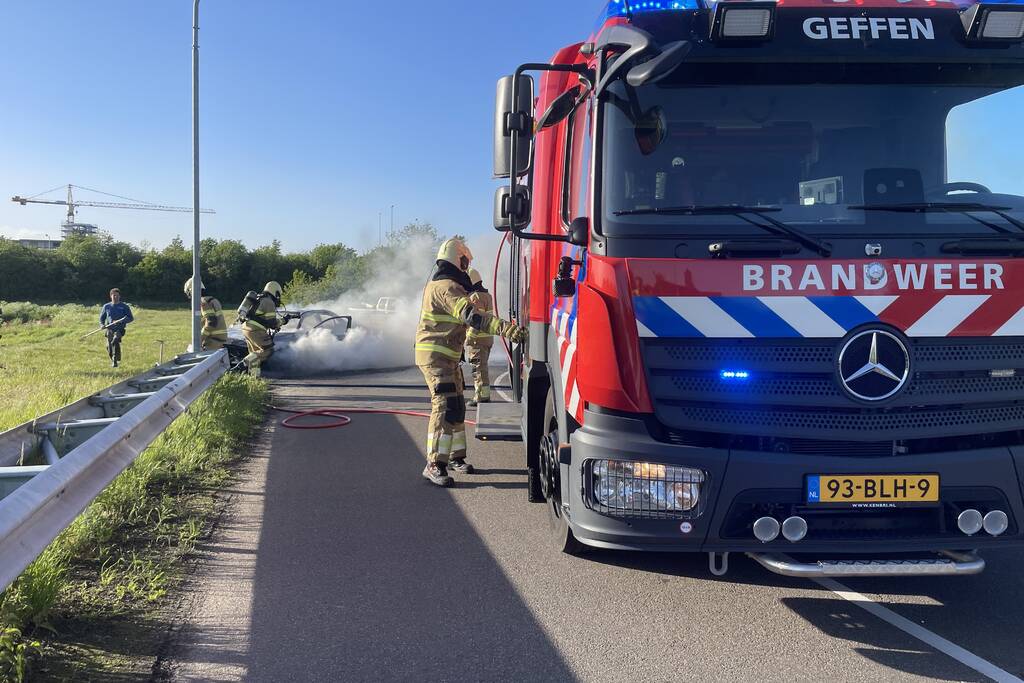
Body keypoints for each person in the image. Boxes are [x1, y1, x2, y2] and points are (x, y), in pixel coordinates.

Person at [415, 238, 527, 487]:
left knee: (456, 406)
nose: (467, 266)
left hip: (447, 356)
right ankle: (434, 463)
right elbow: (472, 316)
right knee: (443, 404)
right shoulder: (446, 287)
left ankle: (455, 458)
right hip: (436, 357)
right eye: (465, 261)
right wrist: (506, 329)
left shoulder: (449, 285)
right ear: (458, 259)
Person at [240, 281, 287, 377]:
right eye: (278, 294)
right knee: (268, 351)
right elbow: (272, 323)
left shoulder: (259, 298)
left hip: (247, 327)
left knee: (255, 355)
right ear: (275, 292)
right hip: (255, 330)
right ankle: (245, 362)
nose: (278, 297)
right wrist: (284, 320)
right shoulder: (269, 302)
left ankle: (254, 378)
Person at [464, 268, 495, 408]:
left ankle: (481, 397)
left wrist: (468, 338)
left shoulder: (475, 297)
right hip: (487, 338)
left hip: (477, 340)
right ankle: (484, 395)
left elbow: (476, 319)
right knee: (482, 367)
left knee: (478, 368)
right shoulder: (487, 295)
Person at [184, 277, 228, 351]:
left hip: (212, 341)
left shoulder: (203, 302)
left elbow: (211, 322)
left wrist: (199, 340)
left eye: (189, 294)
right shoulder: (213, 300)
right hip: (219, 340)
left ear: (191, 291)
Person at [99, 288, 134, 368]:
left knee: (115, 341)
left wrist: (121, 321)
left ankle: (115, 360)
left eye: (117, 295)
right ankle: (113, 358)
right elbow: (101, 318)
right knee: (109, 346)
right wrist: (102, 325)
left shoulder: (124, 307)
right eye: (114, 295)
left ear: (119, 296)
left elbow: (131, 318)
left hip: (120, 329)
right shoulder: (106, 306)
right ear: (110, 296)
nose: (115, 297)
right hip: (110, 329)